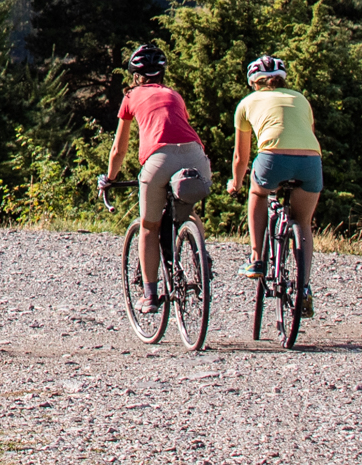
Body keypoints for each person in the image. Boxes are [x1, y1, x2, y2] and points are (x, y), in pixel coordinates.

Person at [97, 42, 208, 295]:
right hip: (196, 156)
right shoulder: (174, 95)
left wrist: (110, 179)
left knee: (149, 226)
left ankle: (149, 295)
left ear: (136, 76)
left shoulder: (130, 97)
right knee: (186, 212)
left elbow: (119, 150)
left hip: (159, 159)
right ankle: (201, 260)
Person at [229, 53, 321, 316]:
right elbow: (309, 136)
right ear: (281, 80)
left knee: (257, 192)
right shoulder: (300, 99)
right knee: (302, 223)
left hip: (272, 159)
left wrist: (235, 183)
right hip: (311, 161)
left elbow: (240, 157)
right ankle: (303, 287)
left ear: (254, 82)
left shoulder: (247, 103)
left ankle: (257, 258)